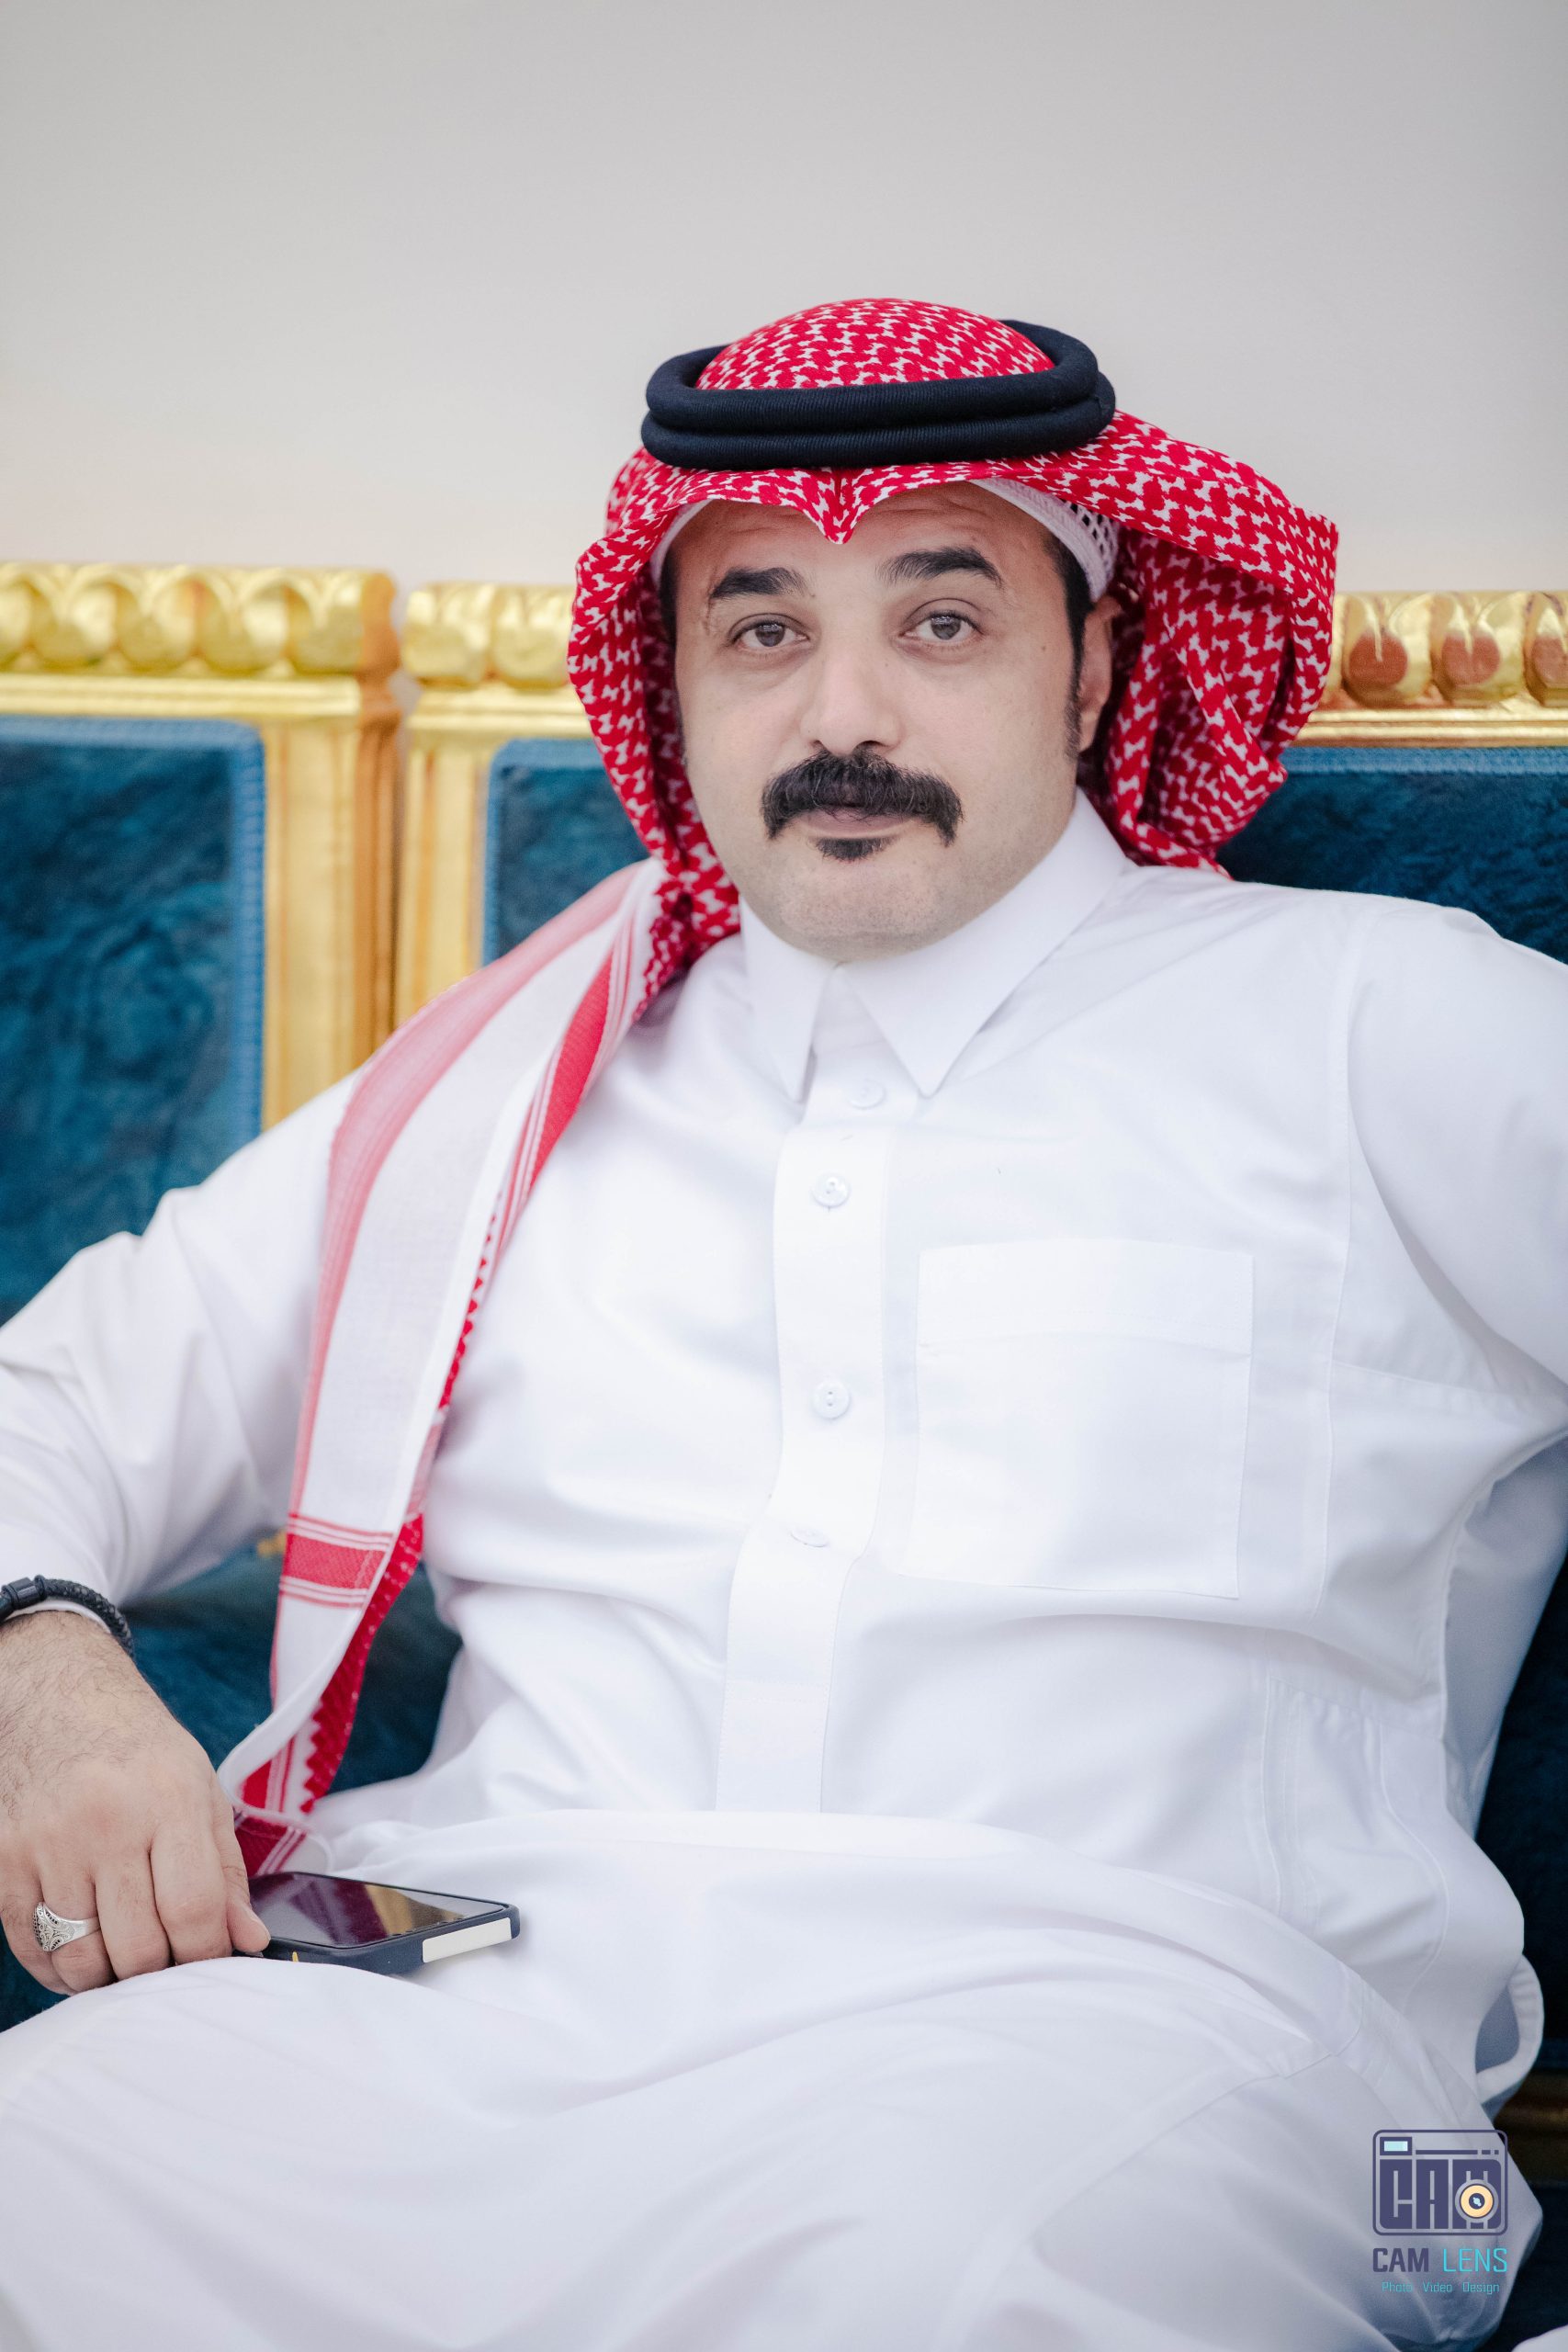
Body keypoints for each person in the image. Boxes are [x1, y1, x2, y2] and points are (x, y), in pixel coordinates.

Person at [0, 297, 1564, 2351]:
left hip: (1186, 2032)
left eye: (942, 621)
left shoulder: (1376, 1019)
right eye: (760, 629)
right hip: (473, 1986)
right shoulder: (511, 1081)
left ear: (1093, 662)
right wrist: (46, 1666)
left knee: (935, 2285)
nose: (846, 713)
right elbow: (54, 1399)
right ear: (672, 682)